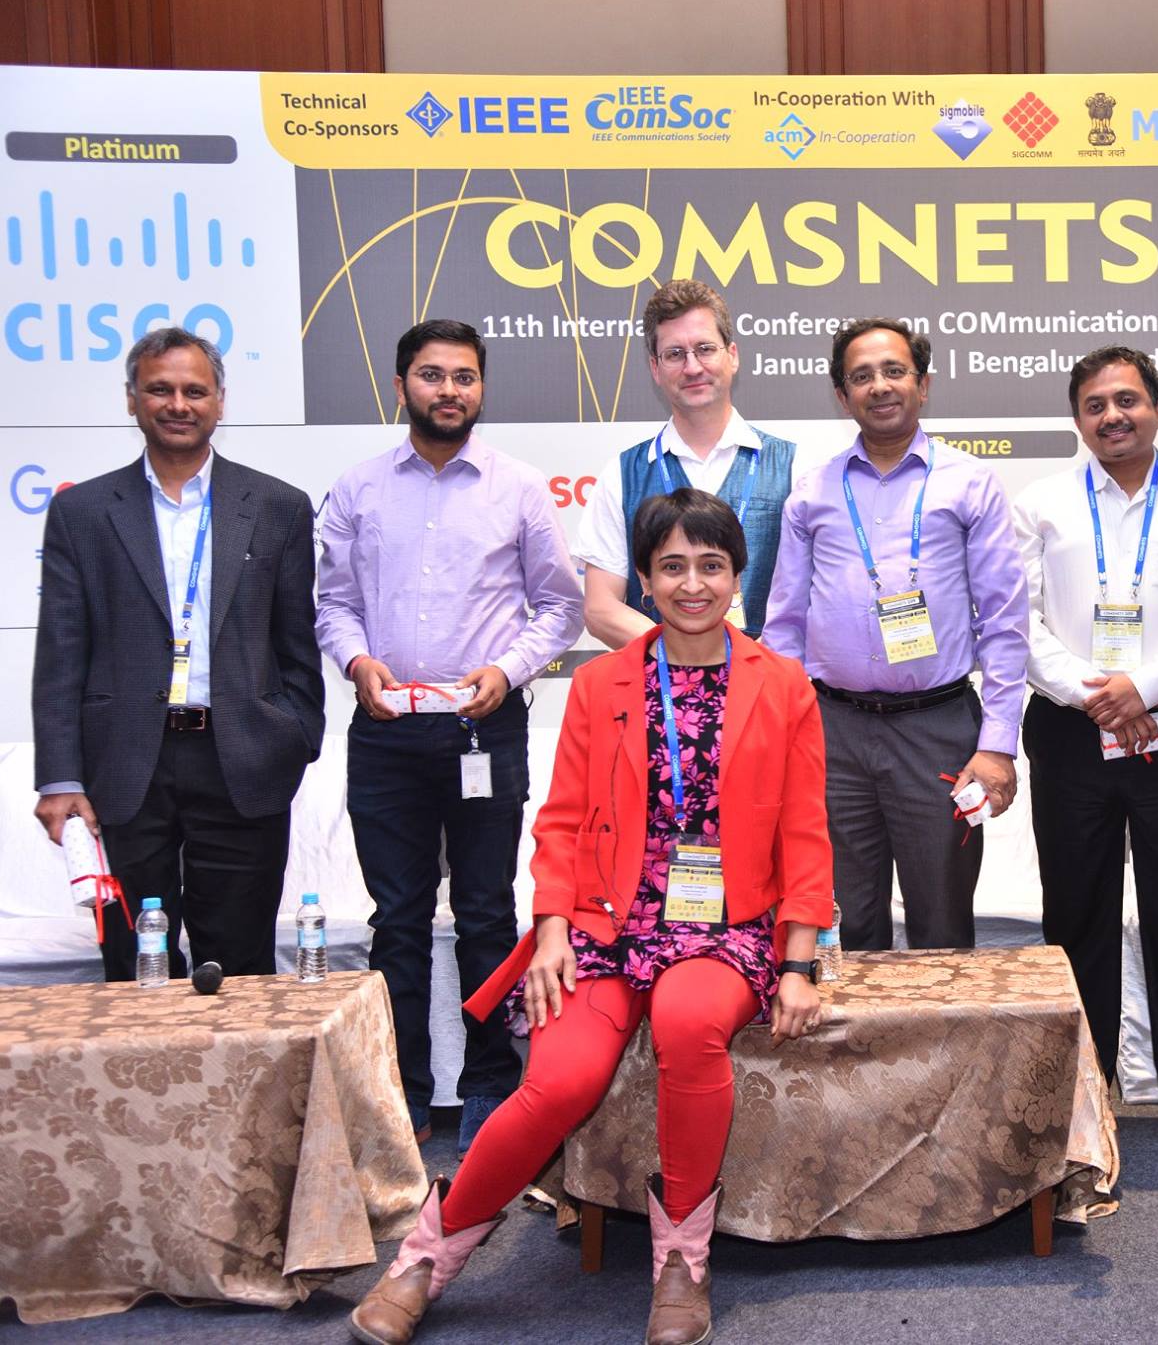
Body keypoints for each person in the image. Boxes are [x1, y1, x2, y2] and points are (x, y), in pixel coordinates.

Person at [350, 489, 831, 1345]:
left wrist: (798, 961)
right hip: (608, 923)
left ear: (736, 575)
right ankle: (426, 1255)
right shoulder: (602, 681)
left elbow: (804, 830)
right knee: (561, 1080)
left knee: (689, 1024)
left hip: (726, 925)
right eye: (672, 566)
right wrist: (550, 931)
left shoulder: (783, 683)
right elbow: (563, 820)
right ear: (642, 579)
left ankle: (682, 1261)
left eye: (711, 565)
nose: (692, 584)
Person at [315, 319, 584, 1148]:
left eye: (464, 377)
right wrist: (357, 662)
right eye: (432, 375)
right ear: (400, 386)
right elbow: (333, 603)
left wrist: (508, 669)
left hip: (483, 730)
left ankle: (490, 1087)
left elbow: (561, 606)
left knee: (485, 912)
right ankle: (402, 1091)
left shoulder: (520, 488)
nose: (449, 391)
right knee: (396, 919)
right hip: (386, 731)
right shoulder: (358, 489)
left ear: (481, 388)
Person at [1012, 347, 1158, 1159]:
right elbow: (1018, 619)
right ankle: (1085, 1097)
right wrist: (1098, 695)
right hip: (1072, 732)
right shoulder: (1042, 503)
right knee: (1075, 916)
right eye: (1095, 404)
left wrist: (1142, 688)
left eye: (1127, 400)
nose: (1112, 416)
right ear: (1077, 418)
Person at [31, 328, 322, 981]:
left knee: (241, 967)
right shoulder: (82, 511)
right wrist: (61, 778)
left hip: (243, 758)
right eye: (160, 389)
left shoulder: (277, 506)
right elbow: (60, 654)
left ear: (219, 400)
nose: (178, 404)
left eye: (195, 390)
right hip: (123, 765)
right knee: (135, 966)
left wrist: (295, 736)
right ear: (131, 399)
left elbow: (296, 643)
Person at [762, 317, 1028, 950]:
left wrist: (997, 744)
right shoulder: (812, 492)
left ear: (923, 384)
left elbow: (1004, 622)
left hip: (938, 731)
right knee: (843, 919)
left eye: (894, 371)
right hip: (833, 732)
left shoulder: (970, 482)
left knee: (942, 921)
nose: (879, 386)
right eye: (861, 376)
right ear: (842, 395)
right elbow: (785, 626)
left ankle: (941, 1024)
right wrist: (785, 733)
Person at [577, 279, 796, 644]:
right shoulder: (622, 475)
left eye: (705, 349)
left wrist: (751, 663)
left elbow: (811, 598)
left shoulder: (792, 467)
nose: (692, 367)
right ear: (655, 367)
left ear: (733, 355)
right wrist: (687, 657)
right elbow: (600, 609)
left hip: (767, 675)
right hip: (657, 677)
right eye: (675, 354)